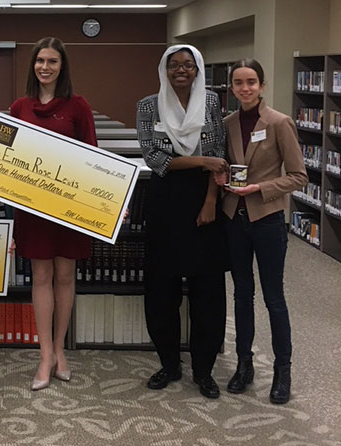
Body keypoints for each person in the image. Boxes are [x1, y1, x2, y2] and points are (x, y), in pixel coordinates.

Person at [136, 45, 228, 399]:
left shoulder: (210, 103)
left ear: (197, 69)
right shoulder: (148, 105)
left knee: (208, 294)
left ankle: (203, 370)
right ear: (164, 68)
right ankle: (170, 364)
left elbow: (218, 155)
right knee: (162, 292)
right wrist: (200, 162)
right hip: (165, 204)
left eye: (188, 65)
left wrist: (209, 202)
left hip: (204, 203)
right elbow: (154, 157)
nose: (181, 70)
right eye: (174, 65)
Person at [215, 59, 307, 404]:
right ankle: (244, 365)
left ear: (262, 85)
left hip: (267, 219)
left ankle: (283, 371)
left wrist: (260, 188)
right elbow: (223, 166)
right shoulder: (227, 123)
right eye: (238, 83)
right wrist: (220, 178)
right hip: (233, 219)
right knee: (241, 294)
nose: (245, 88)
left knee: (273, 298)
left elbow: (299, 176)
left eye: (251, 82)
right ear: (232, 88)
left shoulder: (280, 122)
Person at [10, 37, 97, 391]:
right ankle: (45, 354)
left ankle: (61, 349)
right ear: (33, 65)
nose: (45, 67)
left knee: (65, 275)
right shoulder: (19, 107)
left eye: (53, 61)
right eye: (40, 61)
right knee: (41, 276)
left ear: (63, 66)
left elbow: (93, 156)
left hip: (70, 207)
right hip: (33, 209)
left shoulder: (78, 106)